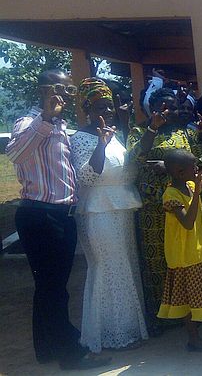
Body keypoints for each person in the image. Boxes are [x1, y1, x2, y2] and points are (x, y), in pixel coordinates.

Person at [6, 69, 110, 370]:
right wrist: (46, 120)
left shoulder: (62, 127)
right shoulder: (29, 123)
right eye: (59, 89)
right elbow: (16, 154)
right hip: (40, 215)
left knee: (50, 287)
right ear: (43, 89)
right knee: (53, 288)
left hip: (61, 215)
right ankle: (69, 354)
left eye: (69, 90)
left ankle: (48, 348)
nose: (65, 95)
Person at [70, 78, 148, 354]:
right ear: (88, 109)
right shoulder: (79, 138)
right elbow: (88, 176)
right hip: (98, 211)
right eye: (101, 106)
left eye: (110, 105)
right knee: (109, 268)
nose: (108, 110)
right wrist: (100, 145)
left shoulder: (117, 134)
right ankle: (112, 334)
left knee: (125, 266)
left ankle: (128, 329)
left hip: (122, 209)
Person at [127, 87, 202, 331]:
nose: (169, 111)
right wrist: (152, 128)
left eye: (173, 106)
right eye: (163, 106)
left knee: (183, 260)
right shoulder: (139, 131)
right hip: (154, 208)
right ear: (151, 108)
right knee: (157, 262)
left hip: (184, 205)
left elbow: (200, 161)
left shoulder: (186, 133)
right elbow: (133, 159)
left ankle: (187, 313)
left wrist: (170, 166)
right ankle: (162, 316)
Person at [159, 150, 202, 352]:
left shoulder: (188, 186)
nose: (197, 170)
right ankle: (194, 339)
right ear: (180, 173)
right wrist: (198, 191)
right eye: (193, 167)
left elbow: (196, 216)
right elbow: (187, 223)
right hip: (185, 257)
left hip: (199, 252)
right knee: (190, 301)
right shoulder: (171, 195)